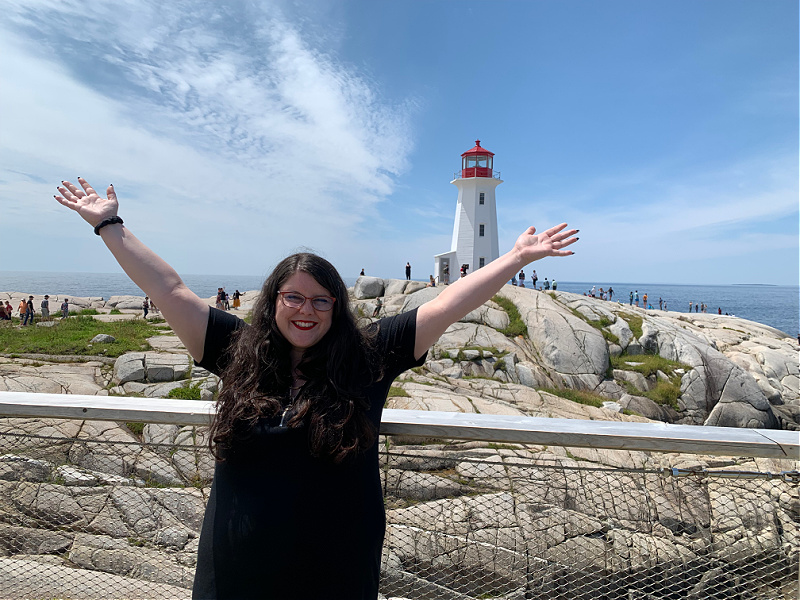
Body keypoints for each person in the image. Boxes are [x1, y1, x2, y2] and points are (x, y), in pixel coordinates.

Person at [54, 177, 578, 600]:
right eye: (294, 297)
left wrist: (515, 259)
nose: (306, 310)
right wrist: (109, 225)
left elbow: (445, 305)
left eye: (321, 300)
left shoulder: (368, 356)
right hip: (238, 569)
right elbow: (168, 288)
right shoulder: (235, 349)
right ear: (274, 299)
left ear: (336, 306)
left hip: (336, 570)